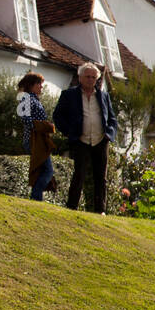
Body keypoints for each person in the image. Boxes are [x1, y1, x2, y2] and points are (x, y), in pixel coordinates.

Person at [52, 62, 118, 213]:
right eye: (87, 76)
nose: (90, 80)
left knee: (101, 177)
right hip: (80, 140)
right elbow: (58, 116)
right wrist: (69, 132)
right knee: (79, 175)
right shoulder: (69, 95)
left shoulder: (103, 96)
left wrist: (109, 134)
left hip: (101, 140)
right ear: (80, 78)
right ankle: (72, 207)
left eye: (93, 77)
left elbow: (113, 119)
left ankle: (100, 210)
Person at [17, 72, 55, 201]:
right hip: (34, 140)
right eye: (39, 84)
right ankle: (35, 197)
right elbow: (24, 118)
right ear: (31, 85)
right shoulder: (27, 98)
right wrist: (42, 126)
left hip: (39, 139)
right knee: (48, 171)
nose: (41, 87)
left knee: (41, 171)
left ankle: (37, 197)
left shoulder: (32, 99)